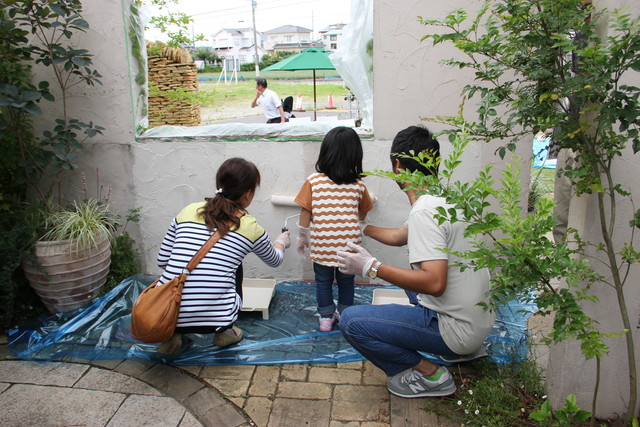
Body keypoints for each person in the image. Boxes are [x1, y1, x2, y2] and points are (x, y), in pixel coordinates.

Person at [336, 125, 495, 398]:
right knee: (408, 283)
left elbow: (434, 283)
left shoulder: (424, 212)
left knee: (351, 322)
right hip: (476, 322)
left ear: (397, 166)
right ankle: (460, 353)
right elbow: (400, 236)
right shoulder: (445, 200)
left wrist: (370, 267)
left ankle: (431, 375)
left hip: (456, 329)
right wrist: (362, 228)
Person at [155, 157, 291, 354]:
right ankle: (224, 333)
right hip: (217, 318)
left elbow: (162, 261)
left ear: (219, 184)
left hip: (165, 310)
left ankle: (172, 334)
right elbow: (275, 260)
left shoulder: (187, 211)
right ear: (248, 194)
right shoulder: (250, 226)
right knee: (235, 266)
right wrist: (281, 242)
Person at [294, 126, 373, 331]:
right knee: (347, 281)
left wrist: (302, 237)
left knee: (323, 282)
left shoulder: (313, 181)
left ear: (326, 152)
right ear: (355, 155)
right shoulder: (358, 185)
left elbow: (305, 212)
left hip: (323, 246)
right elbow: (365, 209)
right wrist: (359, 224)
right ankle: (346, 314)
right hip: (349, 247)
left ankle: (326, 318)